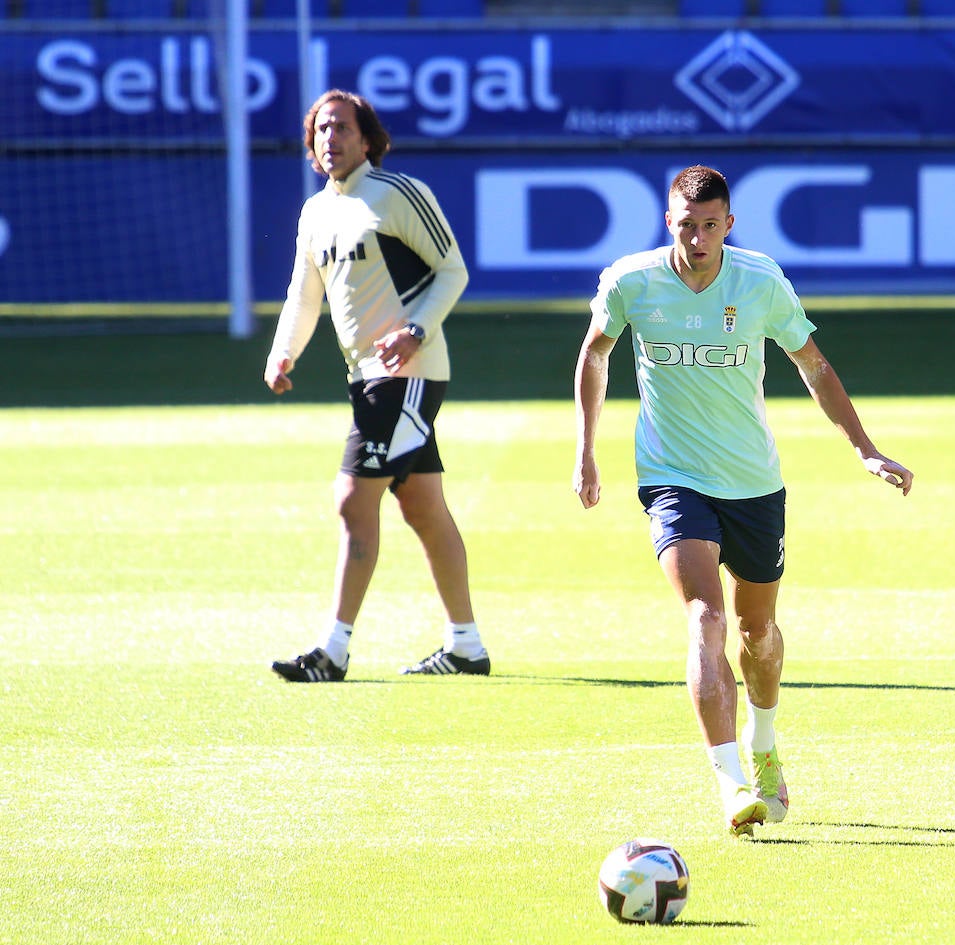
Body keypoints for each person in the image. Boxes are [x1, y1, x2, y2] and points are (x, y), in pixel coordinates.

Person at [572, 165, 912, 836]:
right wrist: (586, 447)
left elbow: (813, 364)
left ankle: (764, 742)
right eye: (684, 226)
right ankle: (730, 783)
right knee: (705, 615)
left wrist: (864, 447)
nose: (696, 239)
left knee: (758, 632)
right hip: (672, 475)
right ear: (668, 222)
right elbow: (594, 355)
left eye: (708, 226)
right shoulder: (631, 283)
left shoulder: (760, 282)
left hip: (754, 481)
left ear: (729, 224)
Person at [264, 89, 490, 682]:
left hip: (407, 374)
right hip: (365, 375)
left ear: (368, 140)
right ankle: (466, 645)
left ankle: (332, 652)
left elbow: (453, 270)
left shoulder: (396, 195)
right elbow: (303, 295)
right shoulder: (315, 213)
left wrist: (414, 330)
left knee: (352, 499)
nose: (330, 138)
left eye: (342, 127)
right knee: (422, 507)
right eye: (321, 130)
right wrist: (283, 353)